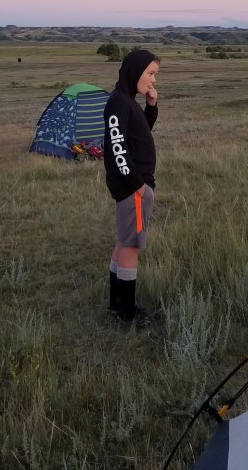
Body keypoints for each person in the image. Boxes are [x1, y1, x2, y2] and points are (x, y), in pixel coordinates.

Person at [103, 49, 160, 324]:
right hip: (132, 187)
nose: (152, 81)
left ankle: (116, 306)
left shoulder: (126, 101)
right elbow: (117, 149)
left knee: (123, 242)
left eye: (154, 75)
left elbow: (140, 136)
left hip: (131, 185)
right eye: (149, 74)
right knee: (131, 247)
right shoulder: (119, 103)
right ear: (134, 71)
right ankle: (127, 313)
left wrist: (151, 107)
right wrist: (138, 185)